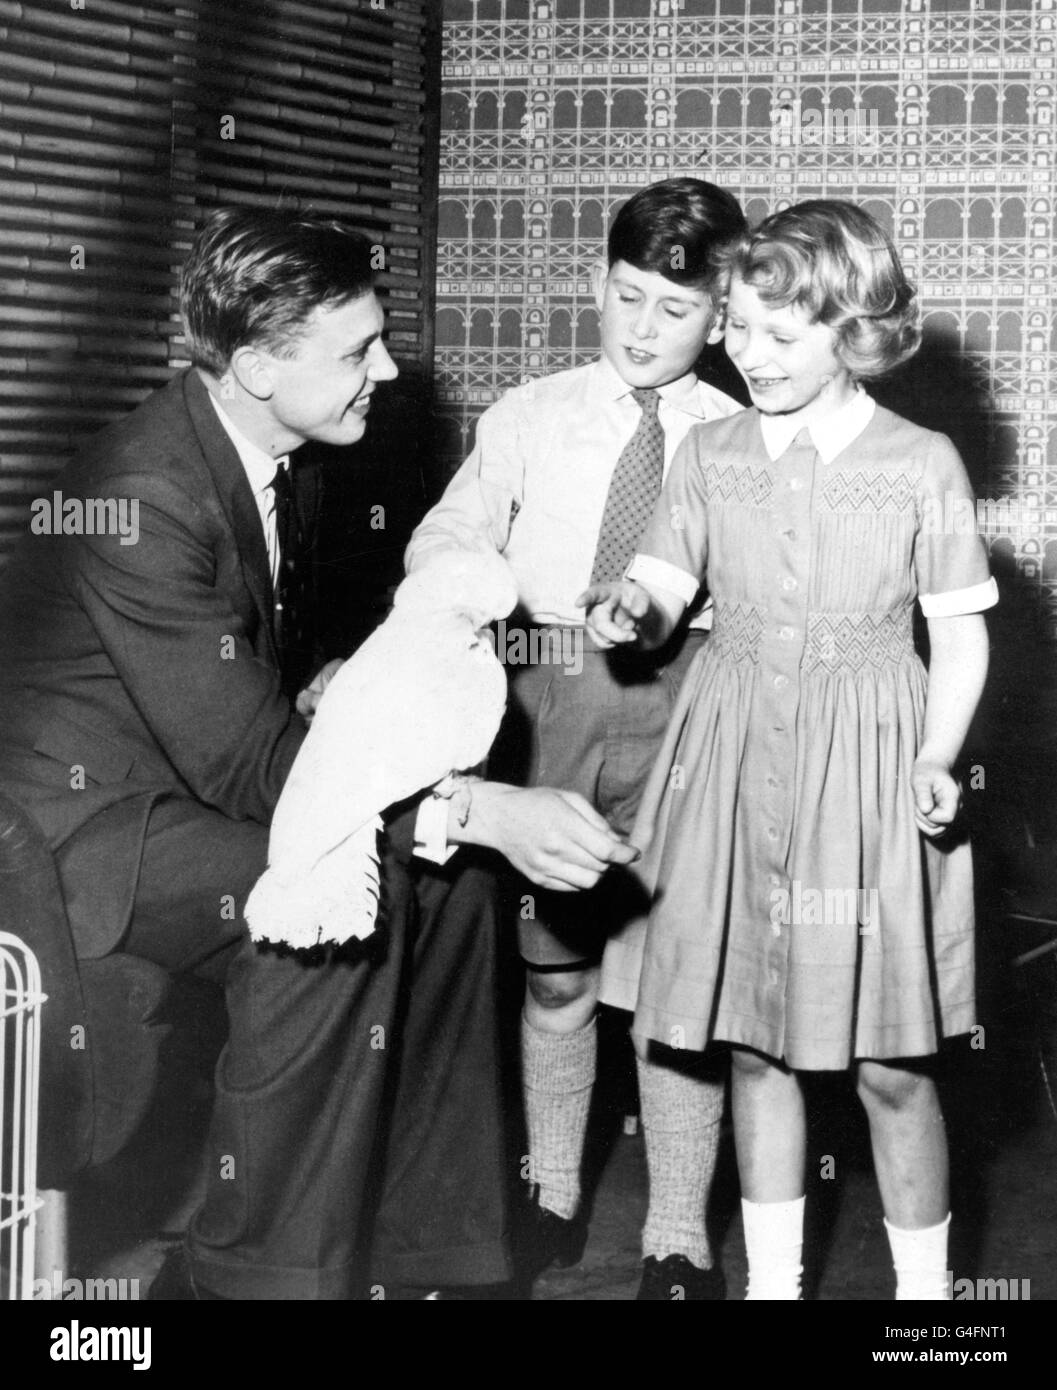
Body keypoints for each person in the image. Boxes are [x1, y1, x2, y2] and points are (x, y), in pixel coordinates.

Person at [0, 208, 636, 1300]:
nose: (386, 371)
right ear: (253, 365)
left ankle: (436, 1251)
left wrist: (331, 693)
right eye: (357, 351)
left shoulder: (284, 455)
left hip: (184, 784)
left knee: (457, 889)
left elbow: (242, 701)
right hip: (85, 835)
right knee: (335, 896)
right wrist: (473, 807)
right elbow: (257, 770)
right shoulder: (142, 494)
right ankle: (244, 1275)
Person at [583, 199, 997, 1300]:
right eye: (736, 326)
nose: (745, 354)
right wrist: (633, 608)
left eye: (780, 335)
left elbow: (958, 633)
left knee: (889, 1065)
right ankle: (773, 1289)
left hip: (865, 765)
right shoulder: (708, 451)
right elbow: (668, 584)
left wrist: (936, 755)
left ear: (851, 332)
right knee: (754, 1045)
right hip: (729, 749)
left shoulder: (922, 462)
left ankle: (923, 1305)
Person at [406, 178, 747, 1299]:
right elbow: (453, 530)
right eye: (626, 296)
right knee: (553, 974)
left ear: (725, 310)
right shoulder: (526, 415)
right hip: (544, 693)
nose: (644, 330)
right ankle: (549, 1194)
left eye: (677, 310)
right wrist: (451, 585)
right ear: (597, 284)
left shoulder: (744, 435)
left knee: (676, 989)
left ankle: (678, 1235)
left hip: (690, 706)